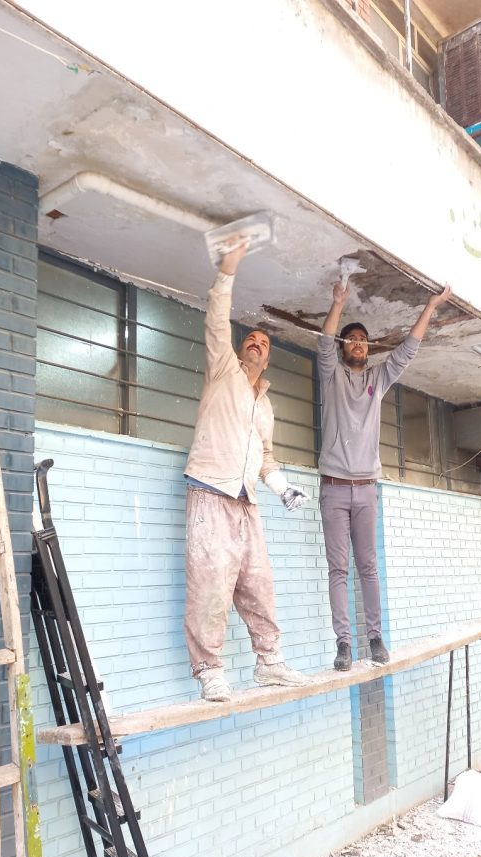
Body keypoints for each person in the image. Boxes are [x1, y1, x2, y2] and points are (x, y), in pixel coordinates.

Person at [183, 240, 310, 702]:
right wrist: (228, 270)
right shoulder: (223, 370)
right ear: (240, 349)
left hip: (246, 502)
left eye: (265, 342)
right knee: (211, 584)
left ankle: (269, 663)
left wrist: (282, 488)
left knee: (259, 584)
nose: (257, 342)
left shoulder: (266, 405)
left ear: (268, 358)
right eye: (251, 339)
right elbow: (216, 321)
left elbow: (266, 457)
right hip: (210, 490)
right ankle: (208, 670)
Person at [317, 278, 451, 671]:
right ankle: (344, 644)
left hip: (366, 490)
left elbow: (408, 349)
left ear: (369, 348)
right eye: (351, 339)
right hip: (334, 489)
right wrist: (338, 302)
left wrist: (431, 306)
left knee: (368, 567)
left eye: (363, 340)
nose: (358, 344)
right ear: (343, 347)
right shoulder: (331, 375)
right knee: (338, 569)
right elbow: (323, 343)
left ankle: (375, 637)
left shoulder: (378, 379)